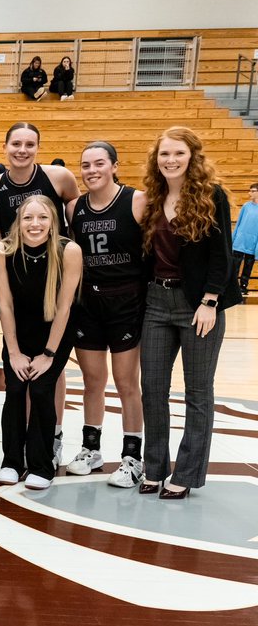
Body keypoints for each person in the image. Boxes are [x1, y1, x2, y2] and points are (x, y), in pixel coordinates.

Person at [138, 126, 242, 499]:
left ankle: (186, 474)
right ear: (156, 158)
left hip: (198, 305)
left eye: (178, 153)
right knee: (152, 389)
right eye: (164, 154)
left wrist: (210, 301)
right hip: (156, 303)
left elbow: (222, 255)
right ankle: (154, 469)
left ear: (192, 156)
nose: (170, 160)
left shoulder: (211, 195)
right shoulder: (153, 197)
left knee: (198, 393)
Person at [0, 122, 80, 464]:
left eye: (29, 144)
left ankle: (52, 437)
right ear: (5, 146)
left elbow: (74, 214)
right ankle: (20, 444)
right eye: (16, 144)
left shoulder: (58, 178)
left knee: (51, 375)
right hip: (21, 279)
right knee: (20, 380)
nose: (22, 150)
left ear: (38, 147)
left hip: (54, 275)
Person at [64, 141, 147, 486]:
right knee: (92, 381)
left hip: (126, 303)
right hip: (89, 304)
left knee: (127, 382)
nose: (91, 170)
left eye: (99, 163)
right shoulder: (74, 208)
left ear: (114, 166)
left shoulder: (137, 200)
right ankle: (91, 448)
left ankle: (132, 456)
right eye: (85, 165)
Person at [0, 195, 82, 489]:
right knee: (16, 388)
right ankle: (11, 462)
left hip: (55, 333)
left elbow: (65, 307)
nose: (35, 224)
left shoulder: (69, 251)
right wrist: (14, 352)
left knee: (42, 390)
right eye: (28, 218)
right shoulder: (2, 250)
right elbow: (5, 304)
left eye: (42, 217)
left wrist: (49, 354)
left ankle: (42, 465)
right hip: (19, 331)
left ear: (53, 221)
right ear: (18, 222)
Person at [233, 182, 258, 295]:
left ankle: (243, 286)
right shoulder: (246, 206)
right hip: (240, 241)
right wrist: (233, 239)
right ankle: (232, 287)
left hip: (252, 244)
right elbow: (238, 223)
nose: (250, 193)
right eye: (250, 190)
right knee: (235, 265)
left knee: (248, 266)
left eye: (252, 191)